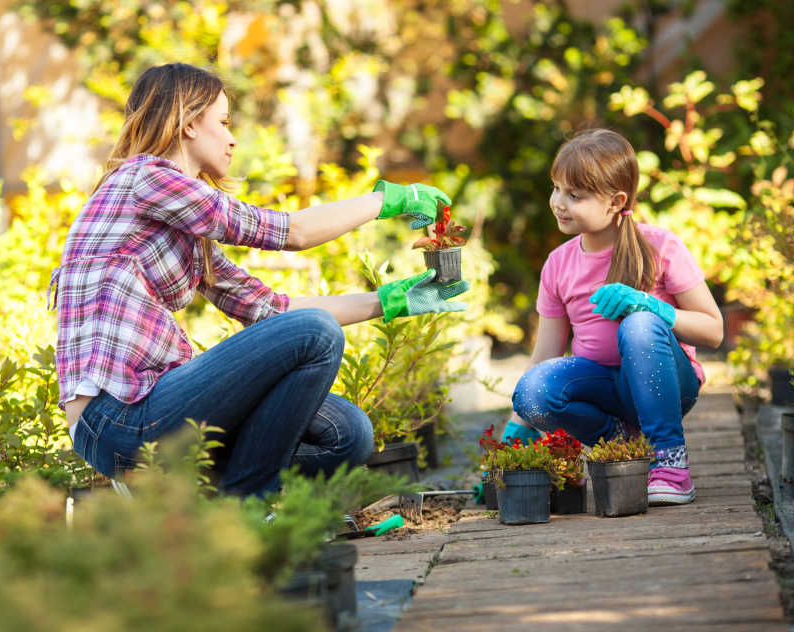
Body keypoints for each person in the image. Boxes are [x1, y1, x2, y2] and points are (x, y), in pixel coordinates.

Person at [48, 62, 469, 498]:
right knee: (317, 332)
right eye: (223, 122)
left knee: (348, 434)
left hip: (154, 409)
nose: (232, 138)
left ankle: (225, 507)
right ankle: (250, 508)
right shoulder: (146, 179)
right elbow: (293, 232)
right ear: (189, 123)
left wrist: (391, 300)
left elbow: (270, 311)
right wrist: (388, 200)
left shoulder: (187, 230)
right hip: (115, 418)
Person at [509, 128, 723, 505]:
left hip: (669, 386)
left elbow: (714, 332)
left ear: (615, 201)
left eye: (575, 195)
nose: (558, 203)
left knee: (639, 324)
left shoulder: (660, 246)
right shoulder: (558, 264)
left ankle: (670, 462)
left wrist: (651, 306)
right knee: (532, 389)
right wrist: (513, 438)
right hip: (602, 391)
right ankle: (623, 443)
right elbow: (543, 357)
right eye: (556, 188)